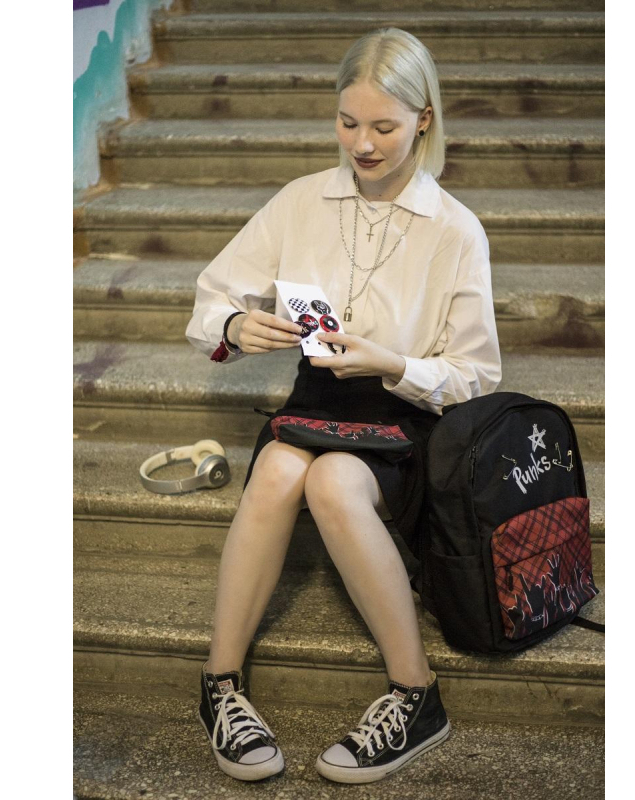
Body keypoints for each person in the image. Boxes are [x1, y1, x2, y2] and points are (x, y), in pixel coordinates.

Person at [185, 27, 501, 785]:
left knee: (331, 480)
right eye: (348, 122)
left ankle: (417, 693)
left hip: (403, 416)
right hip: (315, 399)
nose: (362, 144)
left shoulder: (455, 229)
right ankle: (219, 685)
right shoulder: (301, 200)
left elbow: (477, 376)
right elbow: (212, 300)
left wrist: (392, 363)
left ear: (424, 119)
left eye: (384, 126)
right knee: (277, 470)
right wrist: (235, 326)